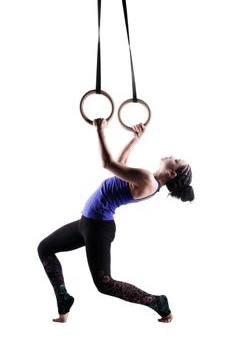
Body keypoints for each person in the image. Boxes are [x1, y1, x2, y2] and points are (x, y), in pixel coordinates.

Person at [38, 118, 194, 324]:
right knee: (45, 248)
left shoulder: (147, 180)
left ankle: (158, 302)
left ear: (172, 173)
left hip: (98, 228)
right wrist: (135, 139)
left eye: (176, 160)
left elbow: (108, 164)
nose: (173, 156)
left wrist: (100, 131)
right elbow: (119, 165)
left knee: (104, 284)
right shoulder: (147, 179)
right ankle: (63, 299)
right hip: (86, 223)